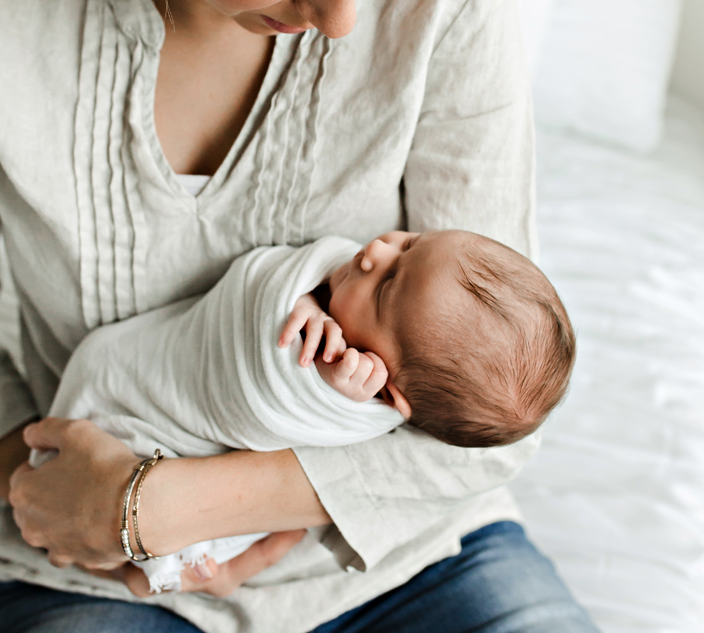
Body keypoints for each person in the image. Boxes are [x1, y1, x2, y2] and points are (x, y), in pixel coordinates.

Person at [0, 0, 601, 630]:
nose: (343, 19)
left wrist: (168, 507)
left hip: (405, 558)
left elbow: (497, 413)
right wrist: (57, 495)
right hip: (82, 569)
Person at [32, 229, 575, 594]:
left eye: (386, 285)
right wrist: (307, 304)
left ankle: (204, 569)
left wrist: (327, 387)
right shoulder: (361, 303)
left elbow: (269, 395)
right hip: (144, 404)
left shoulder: (357, 398)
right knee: (275, 532)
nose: (376, 250)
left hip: (408, 560)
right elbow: (252, 308)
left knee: (270, 536)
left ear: (387, 395)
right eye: (411, 242)